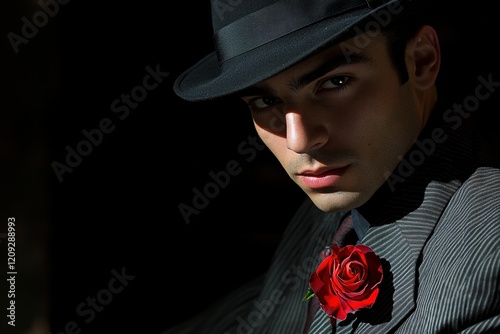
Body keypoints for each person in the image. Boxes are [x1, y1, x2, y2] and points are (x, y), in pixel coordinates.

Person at [163, 0, 500, 333]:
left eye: (335, 83)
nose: (299, 140)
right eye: (265, 101)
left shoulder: (487, 258)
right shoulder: (338, 203)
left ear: (421, 61)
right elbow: (263, 312)